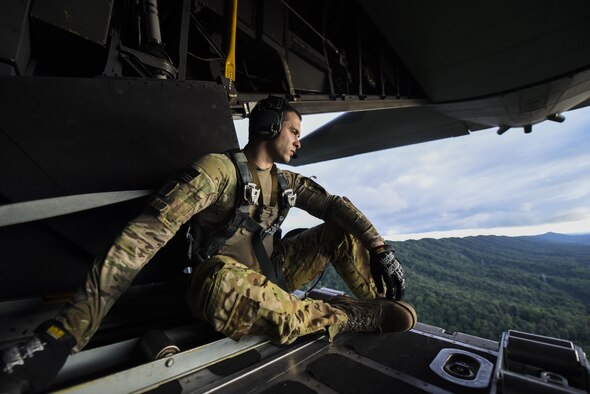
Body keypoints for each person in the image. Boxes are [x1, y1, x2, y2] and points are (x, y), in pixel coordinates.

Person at [0, 96, 416, 392]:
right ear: (269, 125)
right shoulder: (217, 171)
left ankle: (376, 307)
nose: (298, 140)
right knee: (227, 284)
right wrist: (68, 330)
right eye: (292, 129)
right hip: (220, 286)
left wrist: (380, 250)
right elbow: (143, 237)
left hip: (275, 277)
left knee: (339, 231)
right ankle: (341, 316)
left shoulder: (286, 182)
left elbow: (334, 206)